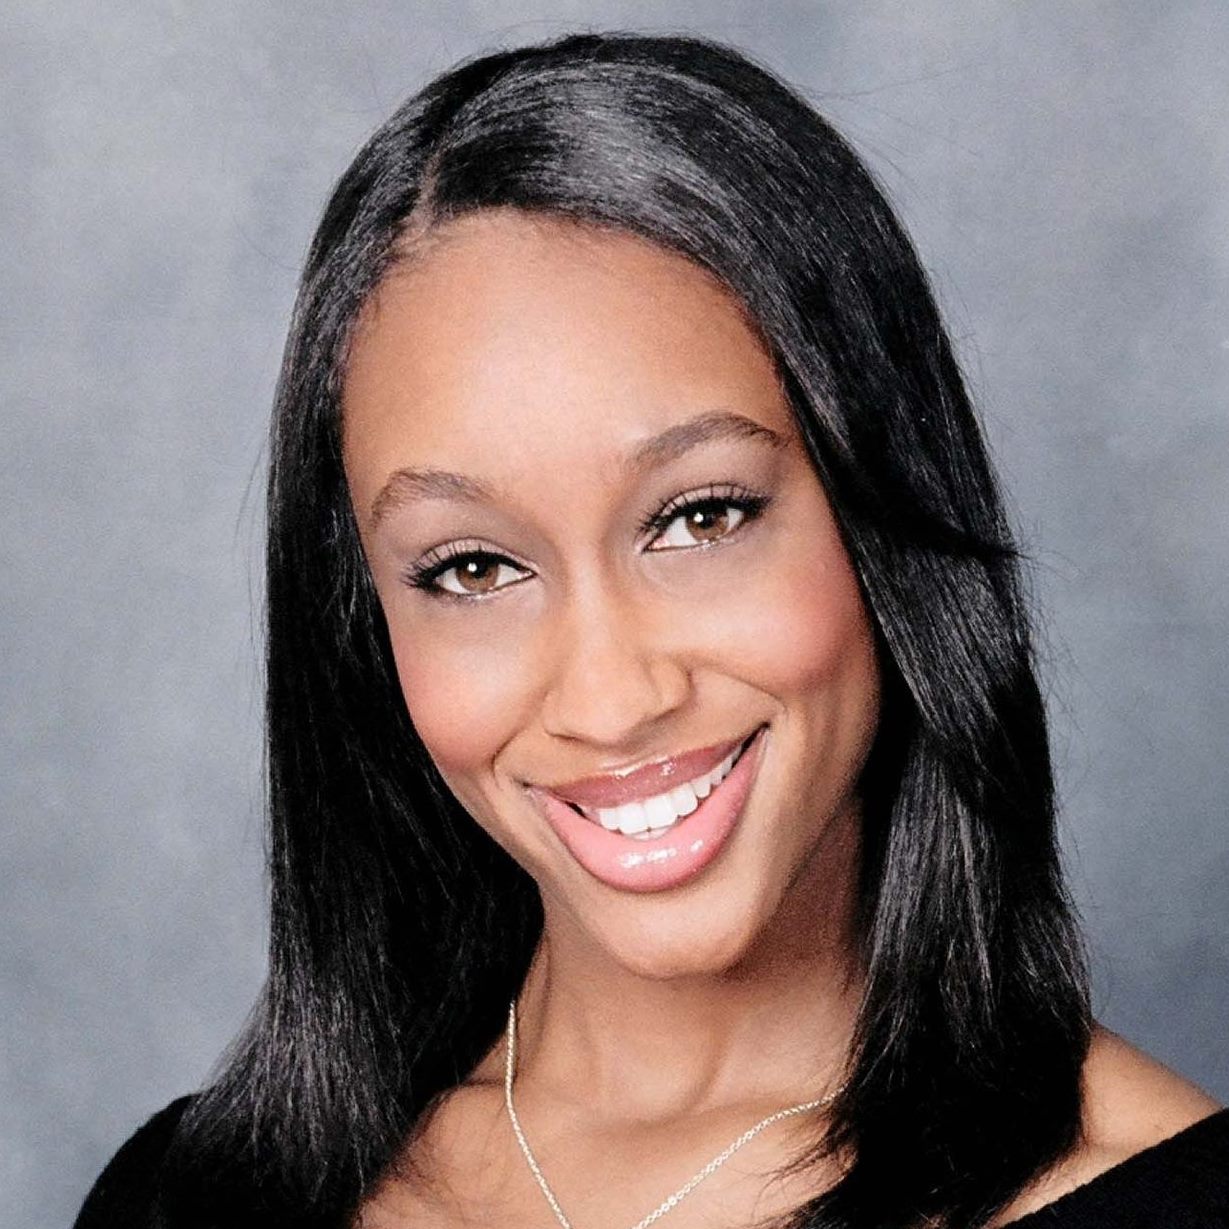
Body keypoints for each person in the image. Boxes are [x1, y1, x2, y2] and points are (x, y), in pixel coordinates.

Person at [74, 30, 1227, 1229]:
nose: (610, 695)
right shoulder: (185, 1193)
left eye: (699, 515)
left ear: (879, 514)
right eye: (471, 565)